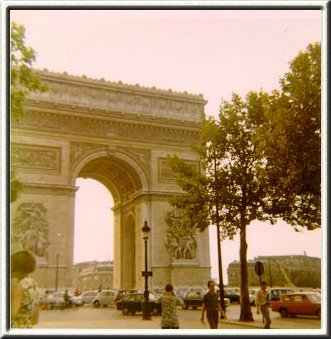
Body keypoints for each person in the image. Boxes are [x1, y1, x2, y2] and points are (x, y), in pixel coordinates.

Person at [11, 250, 40, 328]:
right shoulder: (34, 285)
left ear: (14, 266)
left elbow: (11, 315)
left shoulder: (18, 287)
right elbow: (35, 319)